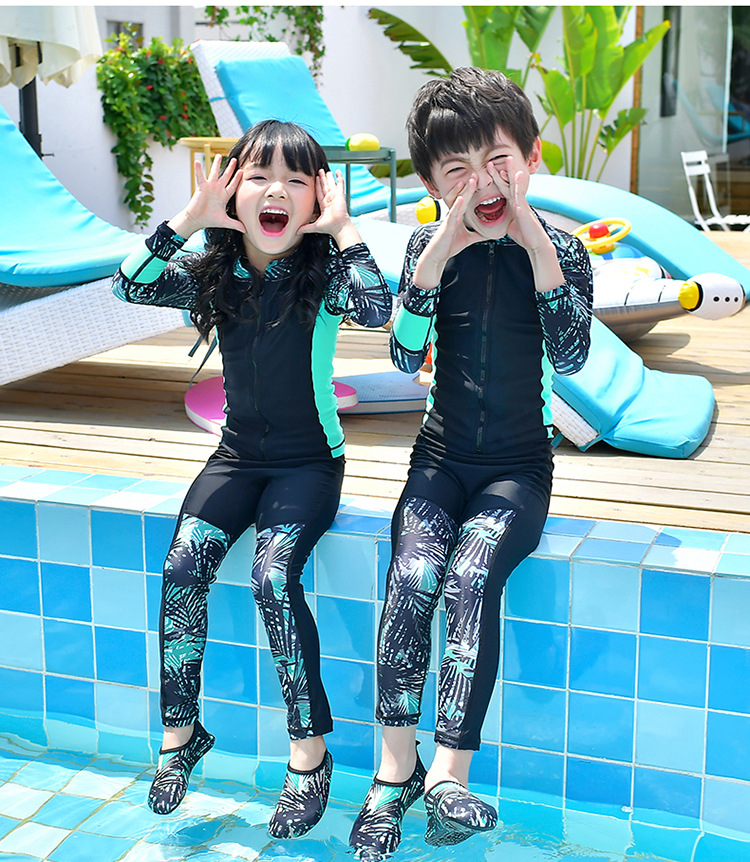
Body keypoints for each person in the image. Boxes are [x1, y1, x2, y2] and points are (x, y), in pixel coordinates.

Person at [112, 119, 391, 835]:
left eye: (297, 180)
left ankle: (309, 753)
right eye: (259, 176)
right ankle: (181, 735)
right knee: (182, 567)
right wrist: (188, 219)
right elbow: (128, 285)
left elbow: (378, 308)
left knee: (272, 578)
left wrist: (345, 229)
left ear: (317, 197)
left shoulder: (325, 278)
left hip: (308, 464)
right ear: (233, 191)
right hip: (235, 459)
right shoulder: (214, 275)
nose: (276, 192)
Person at [349, 68, 593, 858]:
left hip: (518, 469)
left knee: (470, 574)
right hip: (441, 461)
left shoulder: (563, 249)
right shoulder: (430, 248)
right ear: (431, 185)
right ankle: (395, 771)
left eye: (499, 162)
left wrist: (534, 243)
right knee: (413, 576)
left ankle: (449, 775)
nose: (484, 184)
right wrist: (436, 256)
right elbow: (403, 355)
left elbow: (574, 355)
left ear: (532, 157)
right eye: (457, 170)